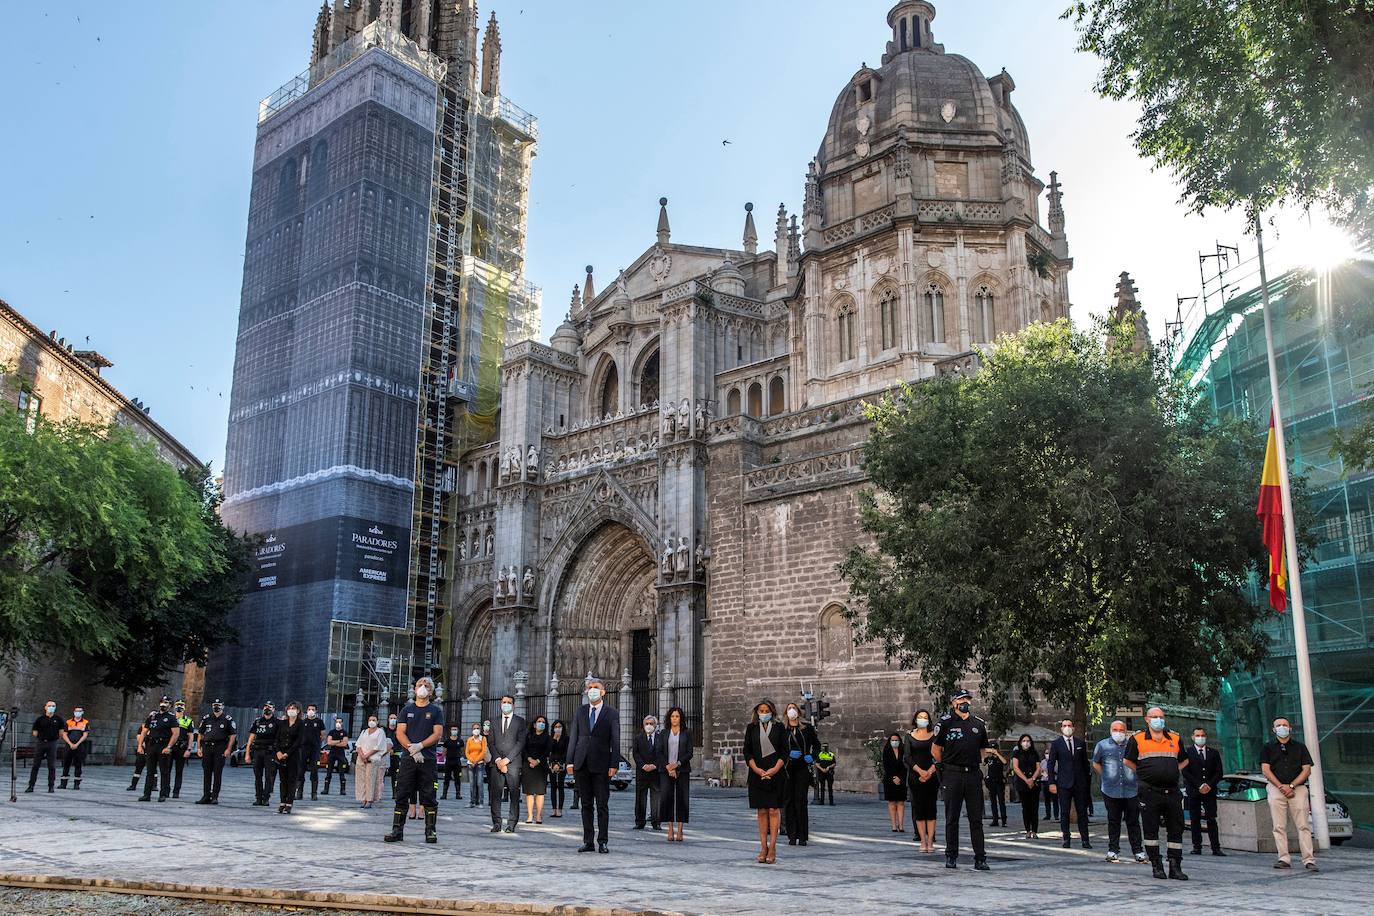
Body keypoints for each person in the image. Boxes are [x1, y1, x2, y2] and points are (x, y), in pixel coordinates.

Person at [1124, 706, 1189, 880]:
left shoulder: (1175, 738)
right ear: (1147, 719)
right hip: (1149, 791)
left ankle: (1175, 866)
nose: (1158, 719)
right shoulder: (1137, 739)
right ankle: (1156, 865)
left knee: (1176, 829)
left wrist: (1173, 770)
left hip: (1172, 791)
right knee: (1151, 830)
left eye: (1161, 716)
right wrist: (1144, 772)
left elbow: (1184, 760)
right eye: (1154, 716)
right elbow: (1127, 760)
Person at [932, 689, 994, 870]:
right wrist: (946, 766)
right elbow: (935, 749)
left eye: (967, 699)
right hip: (953, 774)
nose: (965, 702)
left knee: (976, 819)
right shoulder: (945, 723)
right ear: (953, 703)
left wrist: (979, 762)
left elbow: (983, 749)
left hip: (973, 774)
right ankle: (951, 856)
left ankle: (980, 858)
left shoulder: (978, 724)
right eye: (961, 699)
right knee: (952, 818)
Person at [384, 676, 444, 843]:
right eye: (420, 684)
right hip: (408, 759)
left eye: (426, 685)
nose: (423, 687)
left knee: (429, 795)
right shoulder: (406, 710)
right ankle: (397, 830)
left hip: (428, 759)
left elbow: (437, 734)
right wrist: (412, 748)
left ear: (431, 691)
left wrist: (421, 746)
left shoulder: (436, 711)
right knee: (402, 793)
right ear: (414, 688)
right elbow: (400, 732)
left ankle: (430, 831)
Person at [567, 678, 621, 853]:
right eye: (589, 688)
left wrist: (614, 763)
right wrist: (570, 761)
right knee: (586, 804)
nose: (592, 690)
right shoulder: (580, 711)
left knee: (602, 805)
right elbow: (574, 737)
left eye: (595, 688)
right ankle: (588, 841)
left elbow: (616, 739)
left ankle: (603, 841)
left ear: (603, 692)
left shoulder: (611, 713)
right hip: (582, 763)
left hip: (602, 764)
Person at [1260, 716, 1317, 872]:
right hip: (1276, 789)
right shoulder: (1268, 748)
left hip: (1297, 789)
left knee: (1304, 825)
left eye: (1285, 725)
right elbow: (1266, 769)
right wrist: (1280, 786)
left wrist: (1291, 785)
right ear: (1274, 729)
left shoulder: (1300, 747)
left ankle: (1309, 859)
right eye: (1278, 725)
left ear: (1290, 728)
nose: (1282, 727)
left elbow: (1307, 769)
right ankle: (1283, 858)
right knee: (1279, 826)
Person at [1092, 720, 1145, 863]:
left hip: (1131, 790)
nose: (1118, 732)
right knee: (1113, 821)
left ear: (1126, 731)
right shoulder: (1102, 745)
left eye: (1121, 730)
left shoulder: (1133, 745)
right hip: (1111, 790)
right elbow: (1096, 762)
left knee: (1133, 821)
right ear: (1110, 730)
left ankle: (1138, 851)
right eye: (1115, 729)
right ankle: (1113, 850)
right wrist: (1105, 776)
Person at [744, 699, 786, 864]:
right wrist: (756, 769)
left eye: (766, 710)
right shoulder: (751, 728)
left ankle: (773, 846)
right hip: (757, 774)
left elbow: (784, 751)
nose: (763, 713)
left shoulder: (779, 728)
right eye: (760, 711)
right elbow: (747, 751)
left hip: (775, 774)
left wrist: (775, 769)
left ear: (772, 712)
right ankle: (763, 846)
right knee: (761, 811)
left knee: (774, 811)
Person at [1046, 718, 1092, 849]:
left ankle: (1085, 839)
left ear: (1073, 728)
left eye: (1069, 725)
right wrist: (1051, 782)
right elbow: (1051, 764)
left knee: (1082, 812)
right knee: (1064, 812)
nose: (1067, 727)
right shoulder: (1056, 744)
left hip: (1079, 783)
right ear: (1061, 728)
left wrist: (1086, 781)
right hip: (1063, 783)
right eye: (1065, 725)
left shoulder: (1080, 743)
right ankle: (1066, 838)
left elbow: (1085, 764)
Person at [781, 701, 819, 846]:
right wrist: (787, 755)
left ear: (798, 711)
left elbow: (817, 745)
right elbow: (778, 749)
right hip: (788, 769)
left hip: (802, 767)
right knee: (789, 801)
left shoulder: (807, 728)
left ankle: (802, 835)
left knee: (801, 801)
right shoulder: (782, 729)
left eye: (793, 708)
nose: (791, 710)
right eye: (789, 708)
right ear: (786, 712)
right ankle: (792, 835)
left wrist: (812, 756)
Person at [488, 695, 527, 833]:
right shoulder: (493, 721)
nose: (506, 704)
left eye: (509, 702)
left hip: (513, 764)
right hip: (496, 764)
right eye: (504, 702)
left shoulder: (520, 722)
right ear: (500, 704)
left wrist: (507, 760)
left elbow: (521, 743)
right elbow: (490, 742)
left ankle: (511, 824)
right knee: (495, 794)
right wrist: (499, 760)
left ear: (513, 705)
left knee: (514, 794)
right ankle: (496, 823)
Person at [903, 710, 939, 852]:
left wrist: (929, 771)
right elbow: (907, 757)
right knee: (918, 808)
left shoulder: (935, 736)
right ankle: (922, 841)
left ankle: (930, 842)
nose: (922, 719)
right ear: (915, 719)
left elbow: (939, 755)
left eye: (925, 717)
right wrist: (920, 771)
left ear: (929, 720)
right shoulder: (909, 737)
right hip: (915, 776)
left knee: (931, 809)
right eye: (920, 717)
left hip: (932, 776)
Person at [656, 706, 692, 842]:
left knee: (682, 799)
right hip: (666, 770)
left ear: (680, 718)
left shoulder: (687, 733)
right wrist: (668, 767)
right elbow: (659, 752)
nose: (674, 719)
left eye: (677, 716)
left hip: (682, 770)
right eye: (672, 716)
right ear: (669, 718)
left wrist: (677, 764)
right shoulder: (664, 733)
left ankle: (680, 829)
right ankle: (670, 828)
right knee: (667, 798)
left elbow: (690, 753)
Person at [137, 696, 181, 803]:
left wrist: (169, 747)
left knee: (164, 771)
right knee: (150, 771)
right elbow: (144, 731)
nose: (163, 704)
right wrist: (140, 745)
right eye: (162, 702)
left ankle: (163, 794)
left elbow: (176, 734)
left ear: (170, 705)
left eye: (166, 702)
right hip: (151, 745)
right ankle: (146, 794)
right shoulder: (152, 716)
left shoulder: (171, 717)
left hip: (163, 745)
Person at [193, 698, 237, 805]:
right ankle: (206, 795)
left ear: (222, 706)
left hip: (220, 747)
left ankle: (215, 796)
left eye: (218, 705)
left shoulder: (227, 719)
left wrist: (228, 749)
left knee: (217, 772)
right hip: (207, 747)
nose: (216, 707)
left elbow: (232, 735)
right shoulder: (207, 718)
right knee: (206, 772)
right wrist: (199, 748)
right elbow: (200, 734)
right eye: (214, 705)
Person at [243, 702, 280, 806]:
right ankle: (258, 797)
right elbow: (251, 739)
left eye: (269, 707)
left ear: (273, 709)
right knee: (257, 776)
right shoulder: (258, 721)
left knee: (269, 776)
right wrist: (247, 754)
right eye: (265, 707)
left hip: (270, 752)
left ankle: (266, 798)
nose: (267, 709)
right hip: (258, 751)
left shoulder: (277, 722)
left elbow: (279, 739)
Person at [26, 699, 64, 794]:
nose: (51, 707)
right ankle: (31, 785)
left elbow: (61, 733)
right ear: (45, 707)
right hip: (41, 743)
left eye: (53, 706)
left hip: (52, 743)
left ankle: (51, 786)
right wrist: (42, 737)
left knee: (51, 766)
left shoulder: (58, 719)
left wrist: (52, 738)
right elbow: (35, 732)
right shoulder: (40, 719)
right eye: (50, 705)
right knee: (36, 765)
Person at [632, 714, 662, 831]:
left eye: (651, 724)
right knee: (640, 797)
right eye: (646, 724)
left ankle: (656, 822)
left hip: (656, 773)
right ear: (643, 725)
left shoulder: (661, 738)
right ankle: (640, 821)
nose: (649, 726)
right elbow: (636, 753)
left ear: (655, 725)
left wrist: (655, 765)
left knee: (656, 798)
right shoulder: (638, 738)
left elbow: (662, 753)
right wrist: (643, 765)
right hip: (642, 772)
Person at [354, 714, 390, 809]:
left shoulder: (380, 732)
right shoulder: (364, 731)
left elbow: (378, 747)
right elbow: (358, 745)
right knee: (361, 779)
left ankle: (369, 800)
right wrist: (362, 755)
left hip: (373, 759)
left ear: (377, 721)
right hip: (361, 758)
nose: (371, 721)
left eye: (374, 720)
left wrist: (367, 755)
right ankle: (363, 799)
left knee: (371, 779)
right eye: (370, 720)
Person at [274, 702, 304, 814]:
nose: (291, 710)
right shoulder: (282, 723)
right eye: (290, 708)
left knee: (292, 780)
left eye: (294, 708)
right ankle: (282, 802)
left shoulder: (301, 724)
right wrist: (278, 751)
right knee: (283, 780)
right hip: (281, 754)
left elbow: (299, 741)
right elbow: (276, 739)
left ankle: (289, 803)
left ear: (298, 711)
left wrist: (287, 753)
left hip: (293, 755)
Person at [1011, 734, 1042, 839]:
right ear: (1020, 742)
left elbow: (1038, 768)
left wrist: (1032, 779)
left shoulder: (1034, 753)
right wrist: (1026, 780)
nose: (1026, 743)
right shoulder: (1017, 753)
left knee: (1034, 807)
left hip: (1034, 782)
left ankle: (1034, 830)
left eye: (1028, 741)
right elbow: (1015, 767)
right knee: (1026, 807)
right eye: (1024, 741)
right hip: (1022, 783)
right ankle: (1027, 830)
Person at [523, 715, 550, 825]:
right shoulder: (528, 736)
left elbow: (547, 751)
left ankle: (538, 815)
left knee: (540, 792)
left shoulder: (547, 737)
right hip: (528, 765)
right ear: (534, 724)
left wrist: (537, 761)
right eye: (539, 721)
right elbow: (523, 749)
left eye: (543, 722)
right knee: (529, 792)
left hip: (541, 766)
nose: (541, 723)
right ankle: (530, 815)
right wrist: (530, 759)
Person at [297, 703, 326, 801]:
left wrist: (317, 743)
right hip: (303, 748)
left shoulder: (319, 721)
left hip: (314, 749)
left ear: (316, 711)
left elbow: (323, 735)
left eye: (313, 709)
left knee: (314, 771)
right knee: (301, 771)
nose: (311, 711)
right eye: (309, 709)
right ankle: (299, 792)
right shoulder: (302, 722)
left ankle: (314, 793)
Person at [59, 705, 90, 790]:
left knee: (78, 764)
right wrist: (70, 743)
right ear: (74, 712)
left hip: (80, 747)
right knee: (66, 764)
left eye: (80, 711)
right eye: (76, 711)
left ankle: (76, 784)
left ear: (82, 712)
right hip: (69, 746)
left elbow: (85, 735)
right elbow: (64, 734)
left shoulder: (85, 722)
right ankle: (63, 784)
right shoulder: (68, 722)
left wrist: (77, 744)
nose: (78, 713)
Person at [883, 732, 907, 832]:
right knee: (892, 802)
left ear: (899, 741)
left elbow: (905, 765)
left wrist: (900, 777)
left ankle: (901, 825)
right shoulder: (887, 751)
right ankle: (893, 825)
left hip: (901, 779)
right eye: (892, 740)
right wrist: (894, 777)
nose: (894, 742)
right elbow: (886, 766)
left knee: (901, 802)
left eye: (896, 740)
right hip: (889, 779)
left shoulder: (903, 751)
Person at [171, 699, 195, 799]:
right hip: (171, 746)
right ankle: (165, 790)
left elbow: (190, 736)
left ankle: (176, 791)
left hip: (181, 747)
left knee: (179, 770)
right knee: (166, 769)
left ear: (184, 708)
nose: (179, 707)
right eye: (177, 705)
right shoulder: (171, 718)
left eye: (181, 705)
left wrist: (189, 749)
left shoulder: (188, 720)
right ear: (174, 707)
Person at [323, 717, 349, 796]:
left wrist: (335, 743)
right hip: (332, 753)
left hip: (341, 753)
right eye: (337, 721)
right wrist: (339, 741)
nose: (338, 723)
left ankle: (343, 790)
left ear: (342, 723)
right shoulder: (332, 732)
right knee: (329, 772)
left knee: (341, 772)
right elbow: (329, 742)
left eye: (340, 722)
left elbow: (345, 744)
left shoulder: (344, 732)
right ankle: (326, 789)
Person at [465, 722, 489, 808]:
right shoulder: (469, 740)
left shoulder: (483, 739)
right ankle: (472, 801)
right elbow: (467, 752)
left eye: (477, 728)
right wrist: (471, 760)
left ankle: (480, 802)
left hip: (479, 764)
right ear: (472, 730)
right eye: (474, 728)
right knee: (472, 784)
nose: (476, 730)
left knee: (479, 783)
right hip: (470, 764)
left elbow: (483, 751)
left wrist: (476, 760)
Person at [548, 719, 568, 817]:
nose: (558, 729)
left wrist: (560, 763)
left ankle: (560, 809)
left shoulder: (566, 738)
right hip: (552, 764)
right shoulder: (551, 738)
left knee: (560, 786)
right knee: (553, 787)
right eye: (556, 727)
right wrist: (554, 740)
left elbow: (566, 752)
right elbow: (550, 750)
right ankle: (553, 809)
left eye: (559, 727)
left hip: (561, 764)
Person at [984, 747, 1008, 827]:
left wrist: (997, 753)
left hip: (999, 782)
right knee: (993, 802)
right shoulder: (989, 759)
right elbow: (983, 761)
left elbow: (1005, 762)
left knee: (1001, 801)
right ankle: (995, 820)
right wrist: (988, 752)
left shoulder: (1000, 758)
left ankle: (1004, 821)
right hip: (991, 782)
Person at [440, 725, 463, 800]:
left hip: (457, 762)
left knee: (457, 778)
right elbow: (444, 751)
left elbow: (462, 750)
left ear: (458, 730)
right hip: (449, 761)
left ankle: (458, 794)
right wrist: (444, 758)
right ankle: (444, 794)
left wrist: (461, 757)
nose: (454, 730)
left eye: (455, 729)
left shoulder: (460, 741)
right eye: (453, 729)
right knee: (446, 778)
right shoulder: (447, 741)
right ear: (450, 731)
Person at [1041, 745, 1059, 822]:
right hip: (1045, 781)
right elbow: (1040, 770)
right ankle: (1048, 814)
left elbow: (1057, 771)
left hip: (1054, 781)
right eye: (1046, 753)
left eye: (1048, 753)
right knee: (1047, 799)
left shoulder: (1056, 761)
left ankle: (1056, 815)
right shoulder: (1043, 762)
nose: (1047, 754)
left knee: (1055, 799)